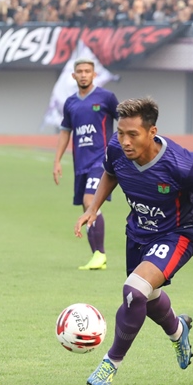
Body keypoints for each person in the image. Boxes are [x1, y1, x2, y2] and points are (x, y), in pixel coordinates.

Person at [75, 97, 193, 385]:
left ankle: (111, 361)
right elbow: (110, 173)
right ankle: (177, 330)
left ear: (152, 131)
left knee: (134, 291)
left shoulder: (184, 165)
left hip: (177, 235)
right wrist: (93, 208)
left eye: (133, 134)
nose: (125, 141)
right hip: (138, 232)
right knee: (147, 295)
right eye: (121, 132)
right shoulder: (117, 149)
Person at [53, 59, 119, 270]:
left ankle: (100, 255)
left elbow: (124, 120)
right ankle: (97, 256)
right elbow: (65, 132)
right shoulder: (70, 102)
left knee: (90, 200)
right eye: (79, 71)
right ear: (73, 76)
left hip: (101, 161)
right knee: (86, 206)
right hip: (80, 163)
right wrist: (57, 161)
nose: (83, 75)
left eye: (87, 71)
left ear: (94, 75)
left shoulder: (106, 97)